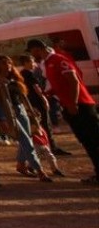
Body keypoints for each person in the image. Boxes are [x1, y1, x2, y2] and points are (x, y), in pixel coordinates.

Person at [28, 38, 99, 183]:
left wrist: (73, 103)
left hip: (81, 105)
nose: (32, 55)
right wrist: (49, 92)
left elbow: (73, 80)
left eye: (31, 51)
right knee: (87, 141)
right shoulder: (48, 63)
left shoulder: (58, 59)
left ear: (37, 49)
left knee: (93, 139)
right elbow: (62, 83)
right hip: (70, 105)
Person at [0, 55, 50, 181]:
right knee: (26, 140)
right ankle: (39, 170)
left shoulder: (13, 77)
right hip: (9, 113)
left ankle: (21, 164)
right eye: (4, 63)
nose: (7, 66)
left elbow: (22, 96)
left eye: (9, 63)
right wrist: (1, 118)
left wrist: (30, 111)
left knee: (27, 138)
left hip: (22, 110)